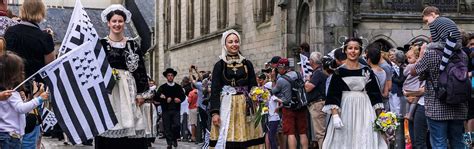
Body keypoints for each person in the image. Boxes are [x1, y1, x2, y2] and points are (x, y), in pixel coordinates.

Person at [94, 4, 153, 149]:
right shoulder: (101, 44)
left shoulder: (133, 45)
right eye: (114, 21)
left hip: (129, 90)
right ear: (108, 23)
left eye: (120, 21)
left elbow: (140, 70)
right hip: (110, 91)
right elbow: (96, 70)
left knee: (131, 126)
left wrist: (141, 94)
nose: (117, 24)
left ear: (124, 22)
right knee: (111, 125)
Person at [409, 6, 467, 148]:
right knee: (458, 142)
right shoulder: (462, 55)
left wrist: (421, 54)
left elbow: (414, 72)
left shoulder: (432, 53)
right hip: (459, 105)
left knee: (439, 143)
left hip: (437, 105)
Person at [322, 37, 387, 149]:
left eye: (356, 48)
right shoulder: (339, 72)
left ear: (360, 51)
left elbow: (375, 96)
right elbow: (333, 95)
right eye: (350, 48)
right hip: (345, 109)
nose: (353, 51)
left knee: (364, 137)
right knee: (345, 139)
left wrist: (381, 118)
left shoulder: (367, 71)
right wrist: (335, 115)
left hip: (365, 110)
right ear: (345, 50)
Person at [209, 29, 264, 148]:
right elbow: (215, 90)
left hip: (246, 107)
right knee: (227, 137)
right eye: (230, 42)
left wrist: (258, 97)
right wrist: (215, 113)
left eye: (236, 41)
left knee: (247, 138)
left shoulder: (247, 63)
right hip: (227, 106)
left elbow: (253, 86)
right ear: (225, 44)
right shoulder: (220, 65)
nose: (234, 44)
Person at [0, 51, 48, 149]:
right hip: (10, 136)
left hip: (7, 135)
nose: (23, 73)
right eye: (20, 70)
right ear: (12, 74)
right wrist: (39, 99)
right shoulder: (11, 93)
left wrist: (31, 97)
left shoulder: (7, 91)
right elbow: (21, 109)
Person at [272, 58, 309, 149]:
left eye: (278, 68)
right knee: (303, 132)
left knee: (290, 133)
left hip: (288, 108)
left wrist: (273, 79)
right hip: (301, 106)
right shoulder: (298, 74)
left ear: (282, 67)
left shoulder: (281, 80)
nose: (278, 70)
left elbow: (273, 91)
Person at [403, 45, 428, 149]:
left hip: (423, 104)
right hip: (415, 100)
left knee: (420, 141)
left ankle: (409, 114)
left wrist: (409, 94)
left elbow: (423, 90)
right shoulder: (413, 67)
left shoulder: (423, 66)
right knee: (414, 139)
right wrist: (407, 95)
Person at [156, 68, 186, 149]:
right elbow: (156, 97)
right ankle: (169, 143)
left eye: (171, 75)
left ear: (173, 77)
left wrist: (179, 100)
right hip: (166, 110)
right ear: (166, 77)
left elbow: (183, 96)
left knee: (176, 125)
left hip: (176, 109)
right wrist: (164, 99)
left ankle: (174, 138)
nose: (170, 77)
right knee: (167, 127)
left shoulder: (178, 87)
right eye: (168, 75)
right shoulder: (162, 87)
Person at [304, 51, 327, 149]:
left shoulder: (318, 73)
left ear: (312, 61)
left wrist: (307, 80)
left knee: (320, 133)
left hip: (317, 104)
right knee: (321, 132)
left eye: (309, 59)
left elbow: (308, 88)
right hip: (320, 104)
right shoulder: (321, 71)